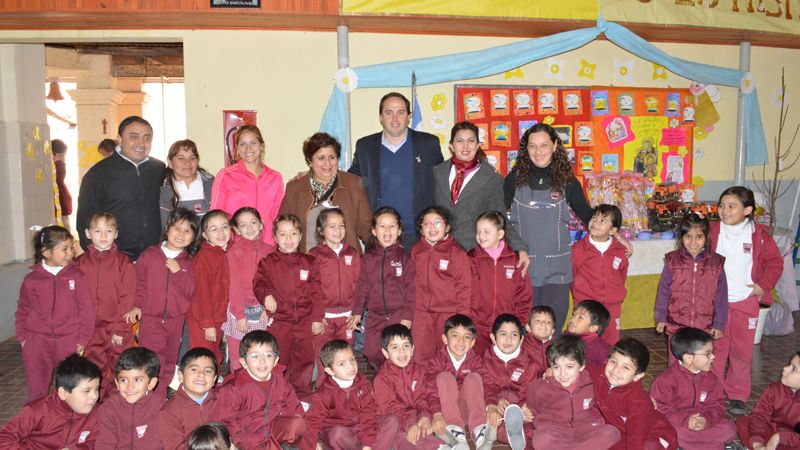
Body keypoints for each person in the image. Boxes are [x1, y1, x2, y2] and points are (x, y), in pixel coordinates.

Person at [505, 123, 630, 334]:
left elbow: (589, 216)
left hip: (557, 270)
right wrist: (516, 247)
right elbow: (499, 220)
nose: (538, 151)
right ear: (526, 149)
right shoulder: (513, 180)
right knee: (525, 329)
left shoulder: (568, 182)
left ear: (555, 146)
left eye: (544, 145)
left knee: (552, 328)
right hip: (523, 266)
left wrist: (616, 234)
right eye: (532, 146)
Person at [710, 186, 783, 415]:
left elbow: (775, 263)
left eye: (732, 206)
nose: (724, 211)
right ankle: (712, 392)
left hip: (745, 302)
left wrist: (762, 286)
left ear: (748, 210)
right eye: (721, 206)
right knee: (716, 350)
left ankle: (738, 395)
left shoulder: (758, 235)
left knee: (741, 352)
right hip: (717, 304)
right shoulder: (712, 231)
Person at [349, 92, 443, 248]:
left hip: (420, 235)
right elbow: (350, 179)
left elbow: (446, 174)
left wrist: (478, 165)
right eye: (388, 113)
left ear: (408, 116)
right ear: (380, 117)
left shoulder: (428, 144)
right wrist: (316, 176)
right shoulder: (366, 146)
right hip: (381, 236)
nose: (395, 119)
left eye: (400, 112)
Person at [16, 225, 94, 404]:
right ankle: (36, 425)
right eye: (64, 249)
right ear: (46, 252)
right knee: (37, 392)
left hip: (68, 342)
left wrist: (82, 340)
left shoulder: (77, 276)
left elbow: (86, 311)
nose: (70, 253)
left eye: (71, 247)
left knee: (69, 389)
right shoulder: (31, 280)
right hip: (37, 343)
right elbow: (23, 310)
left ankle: (68, 425)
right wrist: (23, 338)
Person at [124, 208, 198, 397]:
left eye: (187, 231)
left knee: (169, 361)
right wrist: (137, 306)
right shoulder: (150, 255)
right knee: (152, 360)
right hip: (151, 319)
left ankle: (160, 397)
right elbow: (139, 285)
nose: (181, 234)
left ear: (193, 237)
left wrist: (178, 273)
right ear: (168, 228)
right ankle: (149, 398)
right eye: (177, 228)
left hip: (176, 320)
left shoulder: (189, 262)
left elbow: (191, 291)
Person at [252, 214, 321, 403]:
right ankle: (278, 399)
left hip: (305, 322)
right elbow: (258, 283)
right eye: (283, 234)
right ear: (275, 238)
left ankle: (302, 398)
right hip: (280, 322)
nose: (288, 239)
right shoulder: (268, 262)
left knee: (305, 362)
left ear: (300, 236)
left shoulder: (310, 262)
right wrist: (266, 295)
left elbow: (317, 292)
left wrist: (317, 318)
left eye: (293, 234)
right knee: (279, 362)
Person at [433, 122, 528, 259]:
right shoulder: (437, 172)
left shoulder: (491, 178)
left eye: (471, 141)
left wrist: (519, 247)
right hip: (440, 248)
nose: (465, 146)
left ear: (477, 145)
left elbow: (499, 217)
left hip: (473, 251)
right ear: (451, 146)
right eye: (460, 141)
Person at [77, 115, 166, 260]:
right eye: (133, 137)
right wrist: (97, 256)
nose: (141, 143)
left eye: (147, 137)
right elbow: (85, 219)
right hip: (115, 258)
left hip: (154, 256)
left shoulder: (159, 169)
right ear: (119, 139)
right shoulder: (99, 173)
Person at [75, 212, 137, 400]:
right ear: (87, 233)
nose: (103, 235)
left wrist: (120, 328)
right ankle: (97, 406)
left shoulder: (123, 262)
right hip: (91, 330)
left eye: (109, 231)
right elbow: (75, 299)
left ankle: (118, 405)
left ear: (116, 234)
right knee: (94, 369)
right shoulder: (79, 264)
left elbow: (128, 297)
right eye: (98, 230)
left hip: (118, 328)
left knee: (120, 368)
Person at [524, 334, 621, 449]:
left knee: (612, 432)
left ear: (581, 366)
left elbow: (602, 406)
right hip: (555, 431)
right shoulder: (538, 387)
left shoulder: (591, 383)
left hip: (585, 429)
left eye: (569, 367)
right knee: (541, 439)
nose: (563, 373)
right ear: (550, 367)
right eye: (556, 367)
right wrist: (526, 414)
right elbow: (531, 411)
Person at [655, 213, 728, 365]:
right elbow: (663, 292)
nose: (693, 242)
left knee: (701, 364)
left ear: (706, 237)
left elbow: (721, 296)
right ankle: (677, 389)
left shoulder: (716, 263)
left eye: (699, 237)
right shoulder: (672, 261)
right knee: (676, 365)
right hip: (677, 325)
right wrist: (661, 318)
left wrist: (719, 324)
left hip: (704, 326)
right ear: (681, 238)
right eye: (688, 236)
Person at [212, 330, 305, 449]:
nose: (262, 361)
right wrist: (238, 442)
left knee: (298, 424)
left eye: (268, 355)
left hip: (270, 425)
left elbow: (293, 406)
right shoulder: (233, 388)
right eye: (255, 356)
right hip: (247, 435)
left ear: (276, 360)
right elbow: (224, 421)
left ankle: (282, 445)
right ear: (243, 362)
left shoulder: (279, 381)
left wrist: (309, 438)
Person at [280, 132, 372, 253]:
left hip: (346, 264)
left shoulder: (354, 184)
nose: (327, 163)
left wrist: (384, 251)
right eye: (321, 158)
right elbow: (282, 227)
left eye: (332, 157)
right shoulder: (294, 188)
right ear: (309, 160)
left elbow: (366, 228)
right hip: (307, 265)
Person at [650, 327, 737, 449]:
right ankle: (711, 445)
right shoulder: (665, 381)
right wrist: (686, 421)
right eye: (707, 353)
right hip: (678, 424)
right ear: (688, 358)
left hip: (702, 422)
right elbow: (660, 409)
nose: (713, 357)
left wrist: (705, 420)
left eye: (712, 352)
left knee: (729, 428)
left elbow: (717, 405)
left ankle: (694, 445)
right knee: (673, 432)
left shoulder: (711, 379)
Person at [352, 207, 415, 369]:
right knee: (372, 352)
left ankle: (396, 384)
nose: (387, 230)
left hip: (398, 314)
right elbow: (362, 286)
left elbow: (410, 289)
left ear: (399, 230)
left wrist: (407, 316)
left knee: (396, 353)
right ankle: (383, 380)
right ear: (374, 231)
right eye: (382, 226)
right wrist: (357, 312)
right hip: (375, 314)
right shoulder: (368, 257)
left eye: (392, 226)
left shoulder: (405, 258)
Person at [587, 338, 679, 450]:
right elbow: (577, 367)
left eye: (625, 367)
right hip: (621, 432)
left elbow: (636, 436)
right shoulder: (599, 376)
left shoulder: (639, 402)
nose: (616, 369)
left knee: (649, 446)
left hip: (652, 434)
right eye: (613, 361)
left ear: (638, 376)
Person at [302, 339, 392, 450]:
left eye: (352, 360)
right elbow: (312, 421)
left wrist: (367, 444)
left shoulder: (363, 385)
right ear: (330, 371)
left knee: (391, 420)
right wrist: (312, 444)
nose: (350, 366)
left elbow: (368, 415)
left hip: (359, 429)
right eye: (342, 364)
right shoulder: (324, 393)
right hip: (338, 432)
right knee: (337, 434)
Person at [412, 206, 472, 364]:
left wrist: (461, 320)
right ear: (421, 229)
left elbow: (464, 288)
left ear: (447, 227)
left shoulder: (456, 253)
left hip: (448, 314)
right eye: (427, 223)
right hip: (421, 313)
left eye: (437, 223)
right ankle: (423, 388)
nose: (432, 227)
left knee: (446, 357)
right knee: (419, 356)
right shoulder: (416, 250)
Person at [0, 354, 100, 448]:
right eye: (87, 391)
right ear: (63, 393)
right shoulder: (37, 411)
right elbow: (4, 437)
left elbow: (98, 442)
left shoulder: (97, 413)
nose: (94, 396)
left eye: (96, 389)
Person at [469, 211, 533, 354]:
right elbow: (466, 293)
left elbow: (524, 295)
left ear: (500, 234)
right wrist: (470, 320)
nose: (481, 236)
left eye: (486, 232)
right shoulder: (471, 258)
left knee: (503, 368)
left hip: (506, 329)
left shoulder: (515, 260)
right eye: (478, 232)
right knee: (479, 366)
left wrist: (518, 323)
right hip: (478, 326)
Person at [425, 314, 492, 450]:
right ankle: (455, 435)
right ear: (445, 338)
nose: (461, 341)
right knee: (444, 377)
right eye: (455, 335)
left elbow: (489, 384)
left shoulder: (476, 361)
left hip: (470, 410)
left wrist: (491, 405)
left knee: (475, 377)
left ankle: (480, 431)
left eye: (466, 337)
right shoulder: (436, 361)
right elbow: (430, 391)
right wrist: (436, 414)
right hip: (445, 413)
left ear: (472, 342)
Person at [211, 124, 284, 246]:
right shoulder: (225, 176)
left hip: (266, 248)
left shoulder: (275, 177)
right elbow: (215, 216)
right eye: (243, 144)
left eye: (253, 143)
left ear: (262, 146)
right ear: (237, 149)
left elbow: (277, 216)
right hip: (234, 248)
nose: (248, 148)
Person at [221, 207, 273, 372]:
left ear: (261, 224)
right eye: (243, 225)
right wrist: (240, 315)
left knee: (260, 351)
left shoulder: (270, 251)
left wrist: (268, 309)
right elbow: (234, 286)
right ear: (236, 230)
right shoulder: (234, 252)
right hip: (240, 311)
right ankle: (237, 387)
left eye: (253, 223)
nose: (250, 228)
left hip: (262, 311)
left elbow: (273, 284)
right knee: (238, 355)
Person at [373, 324, 441, 450]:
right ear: (385, 353)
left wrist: (425, 417)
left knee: (426, 434)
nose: (402, 351)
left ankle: (440, 447)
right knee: (407, 442)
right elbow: (390, 409)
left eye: (406, 345)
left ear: (412, 348)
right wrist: (410, 424)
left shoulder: (418, 371)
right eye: (395, 347)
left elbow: (422, 399)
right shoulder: (381, 378)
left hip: (414, 418)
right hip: (393, 422)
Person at [571, 204, 629, 345]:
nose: (595, 222)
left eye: (602, 220)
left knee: (611, 341)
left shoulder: (620, 250)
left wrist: (613, 295)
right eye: (594, 217)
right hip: (586, 306)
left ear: (613, 230)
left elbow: (621, 276)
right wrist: (581, 296)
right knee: (583, 342)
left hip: (612, 306)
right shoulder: (578, 249)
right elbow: (573, 275)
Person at [480, 314, 534, 450]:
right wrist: (496, 401)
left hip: (519, 410)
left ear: (521, 339)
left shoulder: (528, 362)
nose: (509, 339)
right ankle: (515, 435)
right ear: (493, 337)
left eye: (514, 335)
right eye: (503, 334)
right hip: (495, 408)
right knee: (495, 425)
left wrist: (523, 407)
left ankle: (520, 434)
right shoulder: (485, 359)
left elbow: (529, 389)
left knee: (535, 427)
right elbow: (486, 385)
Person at [309, 208, 361, 350]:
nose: (338, 230)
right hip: (324, 318)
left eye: (341, 225)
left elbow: (359, 285)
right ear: (321, 231)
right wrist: (316, 316)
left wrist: (357, 312)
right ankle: (323, 374)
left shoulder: (352, 253)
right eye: (332, 226)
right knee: (324, 354)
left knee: (345, 353)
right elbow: (311, 288)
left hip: (347, 318)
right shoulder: (314, 255)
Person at [97, 347, 166, 449]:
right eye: (124, 380)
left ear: (151, 383)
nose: (130, 386)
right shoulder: (109, 408)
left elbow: (158, 444)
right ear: (117, 383)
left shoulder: (161, 408)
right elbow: (105, 444)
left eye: (137, 380)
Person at [187, 210, 231, 363]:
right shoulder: (204, 257)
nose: (221, 232)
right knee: (203, 355)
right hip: (203, 319)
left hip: (217, 315)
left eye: (225, 227)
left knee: (214, 353)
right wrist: (208, 324)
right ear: (205, 235)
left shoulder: (225, 251)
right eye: (214, 229)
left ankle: (212, 382)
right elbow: (201, 294)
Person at [736, 351, 800, 450]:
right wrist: (757, 444)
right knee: (743, 422)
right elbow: (759, 416)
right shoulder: (775, 389)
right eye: (789, 364)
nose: (785, 368)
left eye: (793, 369)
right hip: (770, 433)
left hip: (792, 441)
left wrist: (780, 437)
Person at [159, 348, 219, 450]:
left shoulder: (221, 399)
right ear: (181, 376)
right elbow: (175, 447)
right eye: (194, 369)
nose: (201, 374)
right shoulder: (169, 412)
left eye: (208, 371)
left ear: (214, 379)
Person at [159, 139, 215, 231]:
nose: (188, 163)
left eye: (192, 158)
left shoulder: (212, 184)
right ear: (170, 162)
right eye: (181, 158)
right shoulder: (162, 188)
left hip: (206, 244)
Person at [566, 299, 612, 367]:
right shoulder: (565, 336)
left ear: (593, 328)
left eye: (580, 317)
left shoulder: (601, 349)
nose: (572, 319)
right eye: (573, 314)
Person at [521, 305, 556, 378]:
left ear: (553, 330)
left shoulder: (559, 347)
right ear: (528, 327)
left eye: (548, 322)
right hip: (529, 385)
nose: (543, 323)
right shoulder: (521, 347)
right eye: (538, 321)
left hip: (552, 386)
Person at [51, 139, 72, 228]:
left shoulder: (57, 165)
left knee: (62, 229)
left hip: (60, 202)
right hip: (62, 201)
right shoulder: (59, 164)